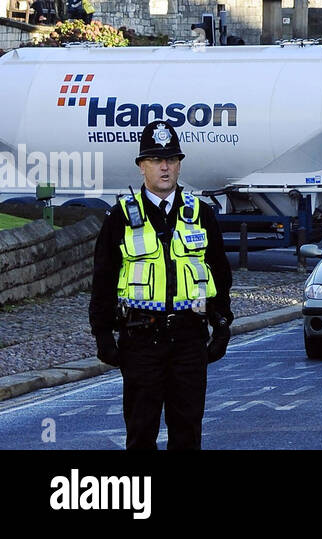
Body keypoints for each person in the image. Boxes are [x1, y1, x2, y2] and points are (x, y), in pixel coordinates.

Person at [88, 121, 233, 450]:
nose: (164, 167)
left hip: (189, 338)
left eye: (171, 159)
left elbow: (220, 274)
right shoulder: (120, 217)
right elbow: (104, 277)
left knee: (187, 433)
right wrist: (102, 333)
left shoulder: (201, 214)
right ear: (142, 167)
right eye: (155, 160)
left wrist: (222, 324)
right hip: (140, 339)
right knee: (140, 434)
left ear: (180, 164)